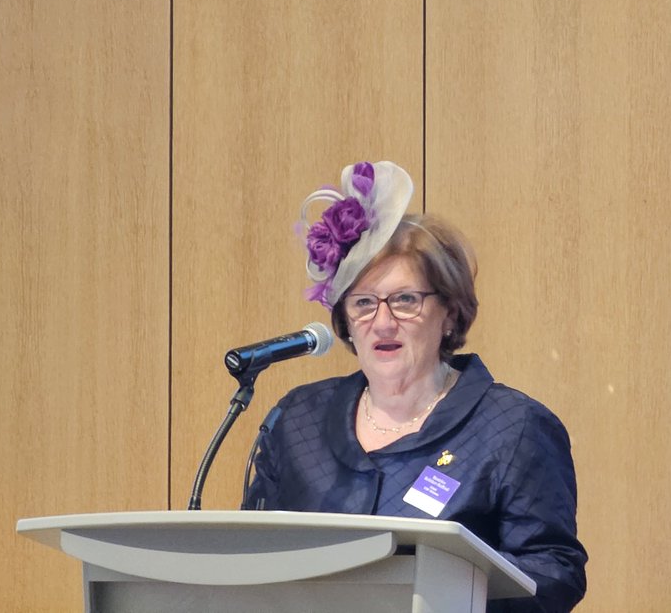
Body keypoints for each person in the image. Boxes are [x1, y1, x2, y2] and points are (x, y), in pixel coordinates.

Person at [248, 160, 587, 612]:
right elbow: (250, 551)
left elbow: (553, 573)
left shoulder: (514, 427)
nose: (382, 322)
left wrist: (452, 593)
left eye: (405, 300)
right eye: (364, 303)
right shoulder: (299, 419)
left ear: (449, 312)